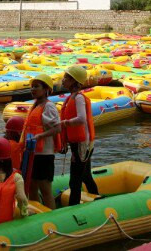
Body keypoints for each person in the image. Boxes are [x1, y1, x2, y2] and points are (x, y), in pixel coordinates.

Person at [59, 65, 99, 206]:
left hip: (82, 144)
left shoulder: (79, 98)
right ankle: (97, 198)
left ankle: (73, 207)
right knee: (86, 176)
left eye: (66, 78)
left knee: (75, 179)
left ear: (74, 81)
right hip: (80, 143)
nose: (63, 80)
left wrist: (64, 123)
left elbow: (81, 118)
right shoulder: (72, 97)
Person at [20, 73, 61, 209]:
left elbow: (57, 128)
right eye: (32, 87)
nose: (33, 89)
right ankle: (37, 212)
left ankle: (50, 215)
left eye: (36, 87)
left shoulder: (48, 106)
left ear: (46, 89)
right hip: (33, 153)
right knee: (31, 187)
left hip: (44, 154)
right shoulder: (36, 105)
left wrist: (40, 136)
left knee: (45, 188)